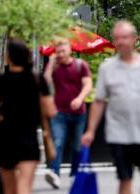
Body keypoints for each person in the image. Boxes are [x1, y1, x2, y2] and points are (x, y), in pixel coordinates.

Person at [82, 21, 140, 194]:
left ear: (134, 39)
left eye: (124, 37)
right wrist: (90, 130)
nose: (120, 41)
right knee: (125, 178)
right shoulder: (107, 68)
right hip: (119, 133)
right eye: (117, 38)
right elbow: (99, 101)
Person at [0, 38, 56, 194]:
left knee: (9, 190)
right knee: (24, 188)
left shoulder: (1, 81)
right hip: (28, 140)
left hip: (6, 140)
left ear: (9, 57)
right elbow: (51, 111)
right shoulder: (36, 80)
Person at [43, 39, 93, 189]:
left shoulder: (80, 65)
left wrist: (79, 99)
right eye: (58, 52)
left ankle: (75, 174)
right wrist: (51, 63)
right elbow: (46, 81)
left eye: (63, 51)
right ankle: (55, 173)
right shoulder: (55, 67)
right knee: (58, 142)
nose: (61, 54)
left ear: (70, 50)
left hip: (78, 113)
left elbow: (88, 84)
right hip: (59, 113)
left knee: (77, 146)